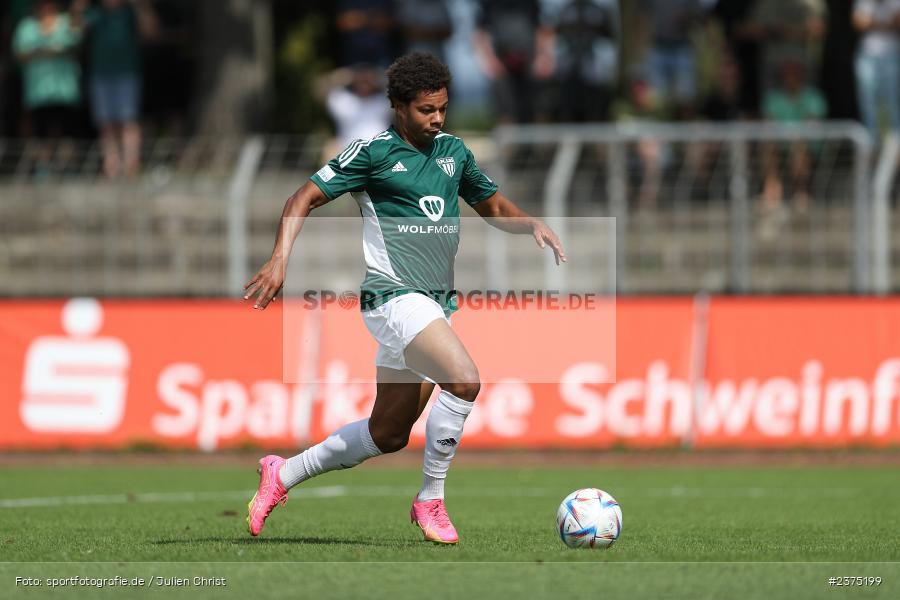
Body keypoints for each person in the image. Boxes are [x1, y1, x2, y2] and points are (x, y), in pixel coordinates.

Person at [243, 52, 565, 544]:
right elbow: (302, 196)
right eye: (425, 110)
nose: (436, 119)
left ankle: (281, 475)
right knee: (464, 380)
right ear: (397, 106)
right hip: (393, 298)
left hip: (434, 306)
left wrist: (531, 224)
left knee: (386, 434)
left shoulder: (453, 151)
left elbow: (493, 204)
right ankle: (430, 500)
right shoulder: (371, 152)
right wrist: (280, 257)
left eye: (442, 108)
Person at [73, 0, 159, 178]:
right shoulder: (95, 13)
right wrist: (78, 8)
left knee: (129, 121)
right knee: (106, 123)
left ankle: (131, 166)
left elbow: (151, 31)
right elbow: (75, 32)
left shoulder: (129, 12)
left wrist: (141, 6)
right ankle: (111, 166)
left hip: (128, 73)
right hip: (101, 74)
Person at [13, 0, 84, 176]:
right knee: (40, 134)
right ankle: (43, 171)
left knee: (67, 132)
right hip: (38, 92)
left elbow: (76, 43)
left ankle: (67, 169)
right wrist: (51, 50)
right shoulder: (26, 26)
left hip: (65, 90)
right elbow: (20, 53)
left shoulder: (67, 21)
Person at [852, 0, 900, 142]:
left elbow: (897, 22)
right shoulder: (863, 2)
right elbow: (859, 23)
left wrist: (872, 22)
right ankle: (872, 146)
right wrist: (886, 23)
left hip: (892, 56)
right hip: (867, 56)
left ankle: (895, 149)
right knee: (868, 105)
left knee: (892, 104)